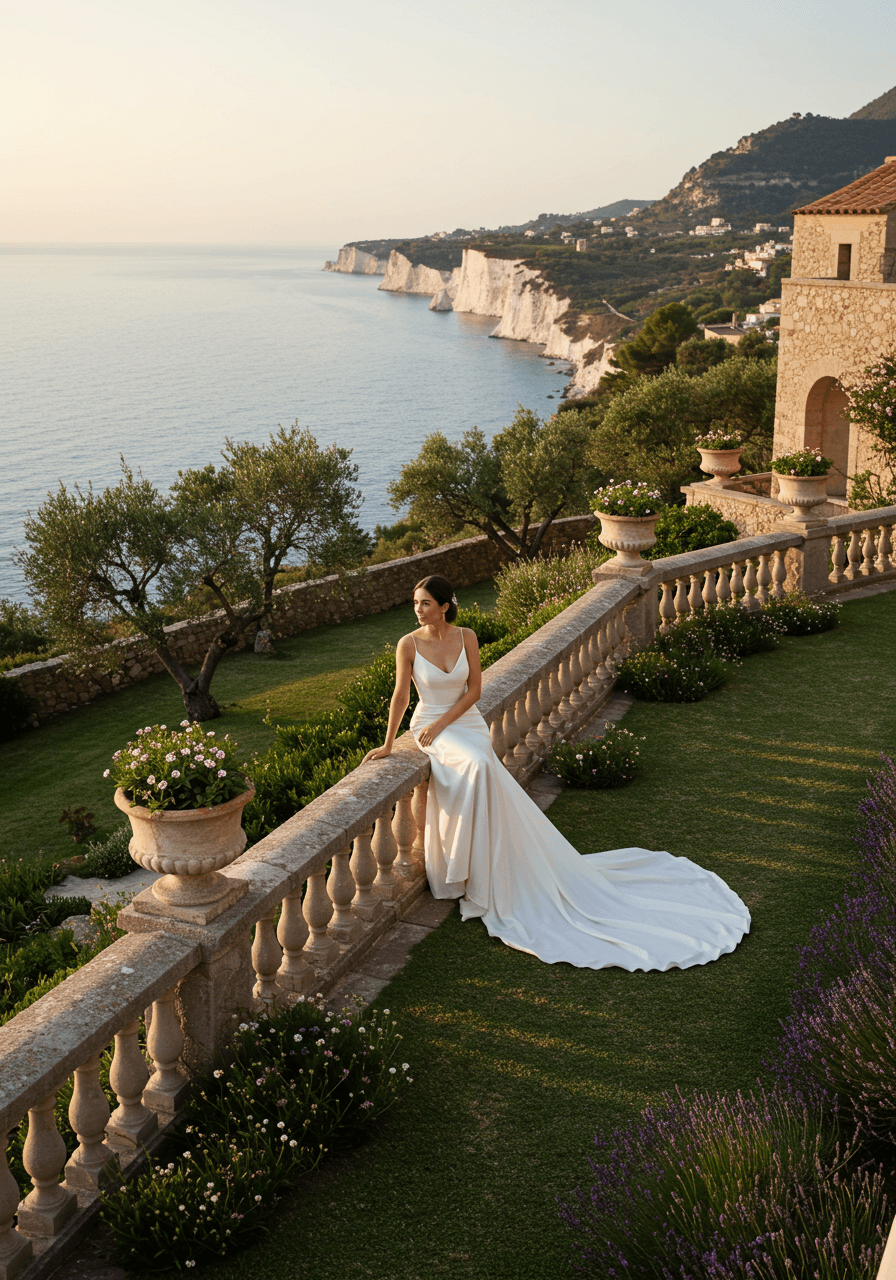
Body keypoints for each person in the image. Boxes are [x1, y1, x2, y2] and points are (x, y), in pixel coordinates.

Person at [362, 575, 750, 971]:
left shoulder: (466, 636)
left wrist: (445, 723)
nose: (418, 609)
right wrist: (390, 744)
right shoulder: (408, 643)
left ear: (444, 606)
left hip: (462, 722)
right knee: (477, 767)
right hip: (427, 724)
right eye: (416, 603)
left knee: (479, 765)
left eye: (425, 603)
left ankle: (474, 869)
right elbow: (402, 695)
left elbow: (474, 691)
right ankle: (458, 871)